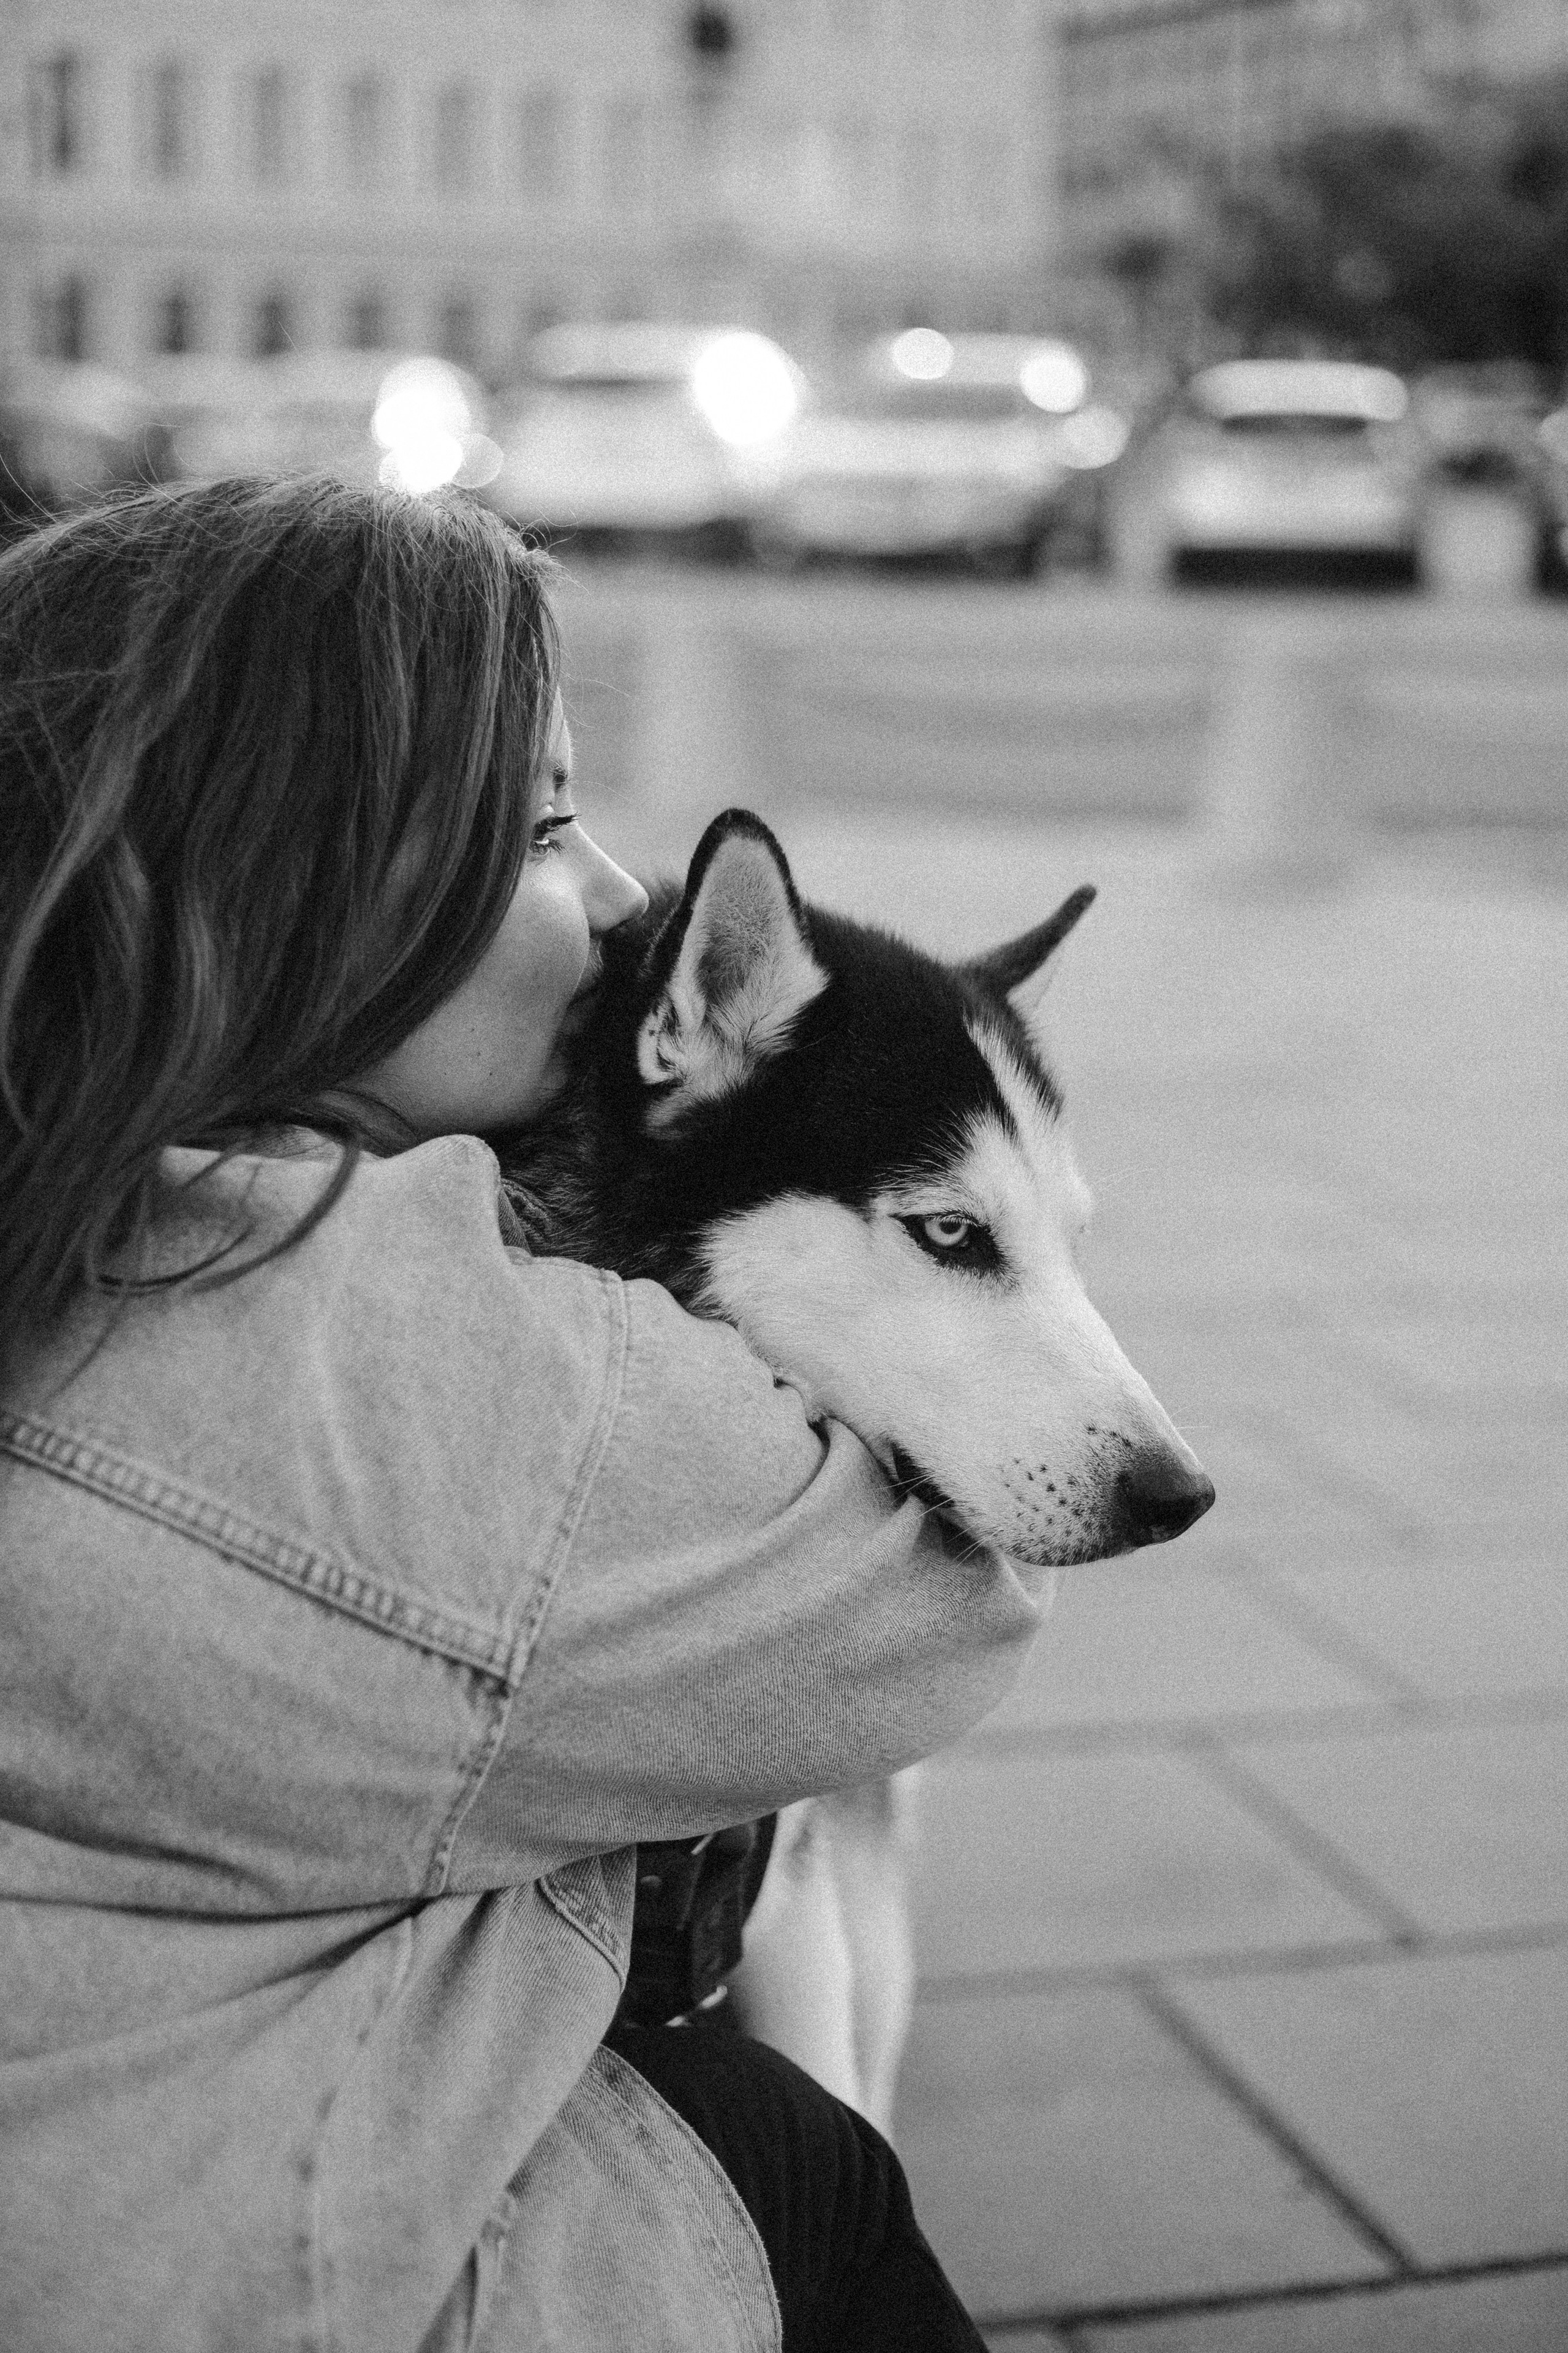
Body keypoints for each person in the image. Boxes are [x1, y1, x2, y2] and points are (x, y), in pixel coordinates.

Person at [0, 477, 1047, 2352]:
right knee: (804, 2161)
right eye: (546, 820)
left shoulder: (67, 1193)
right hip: (257, 2268)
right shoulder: (367, 1338)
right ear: (270, 882)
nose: (624, 892)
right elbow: (939, 1602)